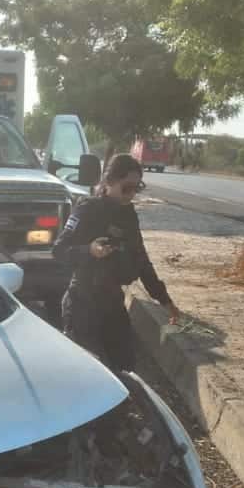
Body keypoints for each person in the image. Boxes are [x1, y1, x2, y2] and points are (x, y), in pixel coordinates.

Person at [53, 154, 181, 371]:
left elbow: (141, 260)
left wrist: (165, 300)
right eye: (126, 188)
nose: (131, 195)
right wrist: (89, 251)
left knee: (124, 368)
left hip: (112, 303)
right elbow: (59, 250)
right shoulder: (87, 210)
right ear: (109, 182)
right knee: (90, 372)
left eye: (136, 188)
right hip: (82, 304)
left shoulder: (128, 215)